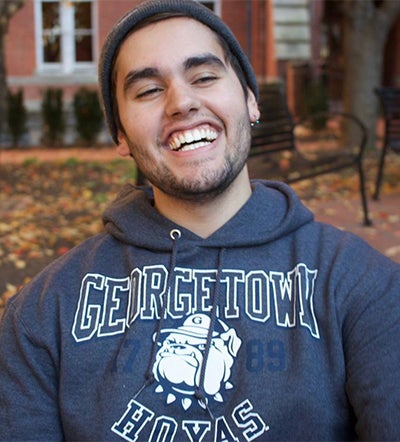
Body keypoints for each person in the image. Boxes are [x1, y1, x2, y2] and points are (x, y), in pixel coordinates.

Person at [1, 0, 399, 440]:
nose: (182, 102)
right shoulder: (42, 314)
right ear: (120, 135)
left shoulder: (363, 288)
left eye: (205, 77)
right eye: (148, 90)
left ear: (250, 100)